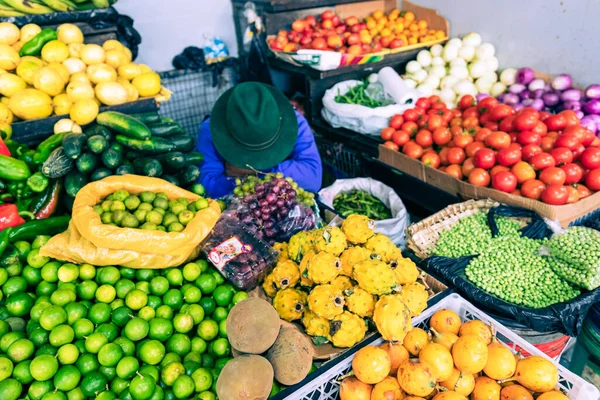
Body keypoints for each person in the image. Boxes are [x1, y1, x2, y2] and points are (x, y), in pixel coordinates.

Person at [196, 82, 323, 198]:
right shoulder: (210, 129)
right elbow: (207, 186)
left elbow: (313, 178)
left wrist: (256, 171)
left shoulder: (294, 121)